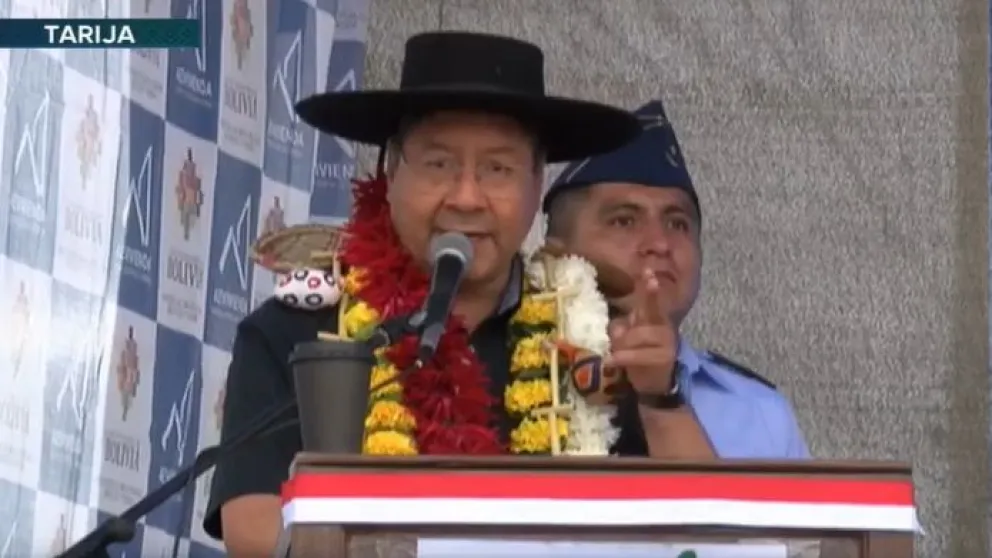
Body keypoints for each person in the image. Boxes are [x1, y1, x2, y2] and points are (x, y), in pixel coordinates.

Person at [204, 31, 641, 556]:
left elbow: (668, 529)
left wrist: (666, 397)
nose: (465, 196)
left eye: (497, 169)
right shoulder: (297, 330)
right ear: (390, 171)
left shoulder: (591, 338)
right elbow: (250, 529)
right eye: (438, 164)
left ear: (536, 185)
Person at [542, 99, 811, 459]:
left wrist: (661, 397)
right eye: (624, 221)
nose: (659, 244)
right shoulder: (496, 375)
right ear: (557, 251)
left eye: (677, 224)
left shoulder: (758, 412)